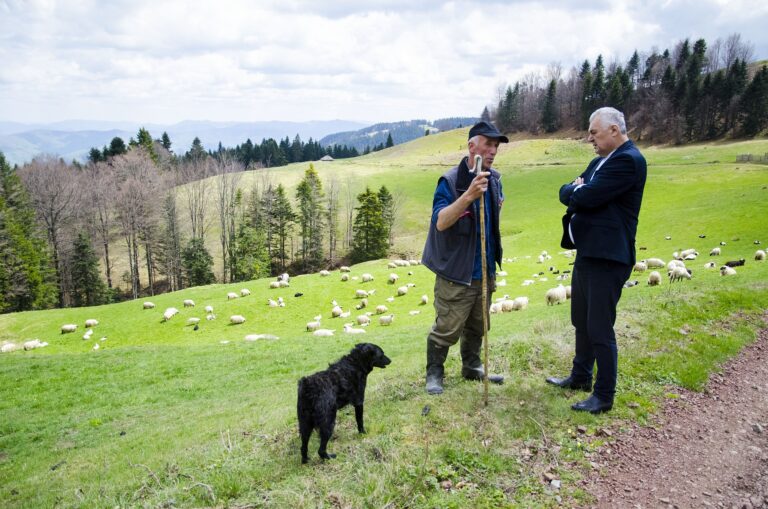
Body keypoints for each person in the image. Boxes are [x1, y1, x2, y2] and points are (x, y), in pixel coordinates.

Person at [547, 106, 647, 414]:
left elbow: (584, 197)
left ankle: (604, 394)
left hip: (609, 255)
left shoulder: (629, 162)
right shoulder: (599, 162)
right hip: (589, 253)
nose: (589, 138)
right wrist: (578, 189)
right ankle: (580, 376)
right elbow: (566, 191)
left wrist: (580, 190)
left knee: (600, 326)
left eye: (594, 132)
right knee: (581, 318)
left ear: (614, 131)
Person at [421, 121, 509, 395]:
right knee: (447, 326)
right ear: (472, 146)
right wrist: (468, 196)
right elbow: (441, 221)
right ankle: (434, 373)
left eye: (496, 146)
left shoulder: (494, 179)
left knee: (478, 324)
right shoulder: (450, 181)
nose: (493, 151)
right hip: (456, 271)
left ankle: (472, 366)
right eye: (488, 144)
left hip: (484, 269)